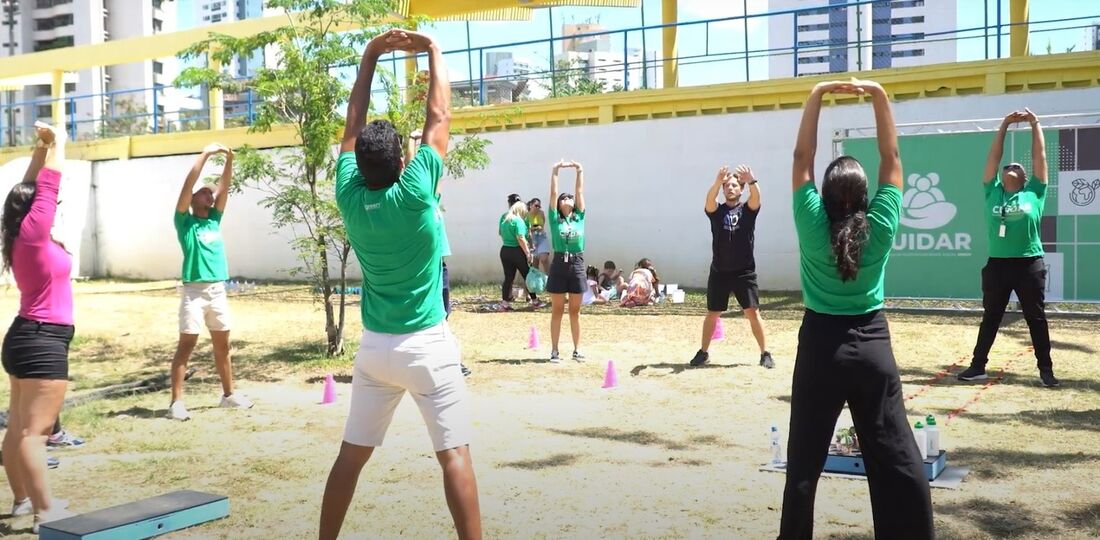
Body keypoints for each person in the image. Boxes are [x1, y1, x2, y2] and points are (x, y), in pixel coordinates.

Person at [320, 29, 480, 540]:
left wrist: (369, 56)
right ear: (402, 163)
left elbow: (351, 125)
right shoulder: (414, 193)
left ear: (360, 167)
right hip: (427, 347)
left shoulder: (348, 195)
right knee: (453, 456)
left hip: (374, 353)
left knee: (350, 458)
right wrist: (433, 49)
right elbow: (440, 118)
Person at [781, 79, 933, 539]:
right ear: (864, 197)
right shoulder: (881, 222)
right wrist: (880, 95)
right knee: (897, 459)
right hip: (872, 347)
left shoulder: (811, 221)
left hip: (820, 348)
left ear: (824, 196)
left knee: (804, 464)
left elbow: (800, 159)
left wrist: (818, 94)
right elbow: (892, 159)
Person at [1, 121, 75, 532]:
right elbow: (46, 187)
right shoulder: (31, 233)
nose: (53, 205)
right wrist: (59, 141)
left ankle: (22, 503)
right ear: (34, 213)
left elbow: (26, 190)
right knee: (36, 433)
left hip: (25, 336)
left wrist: (40, 147)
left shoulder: (18, 234)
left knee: (17, 429)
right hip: (43, 340)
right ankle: (46, 513)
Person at [957, 109, 1058, 387]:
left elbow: (1040, 157)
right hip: (998, 264)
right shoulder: (993, 191)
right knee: (991, 317)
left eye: (1017, 165)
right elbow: (994, 157)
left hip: (1028, 264)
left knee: (1035, 318)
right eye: (1007, 166)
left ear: (1025, 177)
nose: (1010, 165)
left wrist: (1034, 122)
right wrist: (1004, 124)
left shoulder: (1034, 192)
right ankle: (978, 367)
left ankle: (1046, 370)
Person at [168, 143, 252, 421]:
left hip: (217, 290)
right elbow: (188, 183)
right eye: (204, 192)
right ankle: (176, 403)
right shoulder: (185, 222)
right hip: (194, 292)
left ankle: (228, 395)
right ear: (191, 201)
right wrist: (205, 154)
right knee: (187, 345)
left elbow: (224, 187)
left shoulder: (214, 220)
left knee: (223, 345)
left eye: (209, 191)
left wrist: (229, 159)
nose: (209, 194)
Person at [690, 164, 774, 369]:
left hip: (744, 272)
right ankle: (703, 352)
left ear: (741, 189)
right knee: (713, 313)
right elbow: (709, 200)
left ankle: (765, 353)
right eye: (727, 186)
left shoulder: (748, 210)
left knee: (753, 312)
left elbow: (757, 198)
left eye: (734, 185)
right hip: (719, 271)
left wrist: (752, 180)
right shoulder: (716, 211)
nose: (730, 188)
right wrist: (717, 181)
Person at [410, 130, 473, 379]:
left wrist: (432, 147)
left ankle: (445, 361)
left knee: (444, 314)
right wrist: (413, 142)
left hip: (440, 265)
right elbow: (414, 173)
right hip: (426, 266)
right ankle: (448, 362)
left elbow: (432, 175)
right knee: (435, 317)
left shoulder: (432, 201)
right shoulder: (416, 204)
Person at [546, 160, 588, 362]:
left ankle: (577, 349)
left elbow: (579, 192)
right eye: (565, 198)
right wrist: (556, 171)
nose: (568, 198)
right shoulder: (555, 219)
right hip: (559, 265)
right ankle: (554, 350)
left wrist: (579, 170)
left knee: (574, 310)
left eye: (570, 198)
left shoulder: (579, 217)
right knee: (557, 310)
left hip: (577, 263)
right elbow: (553, 194)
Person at [498, 199, 539, 310]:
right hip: (517, 251)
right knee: (527, 276)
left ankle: (505, 303)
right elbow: (521, 238)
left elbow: (500, 233)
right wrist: (527, 253)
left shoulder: (504, 219)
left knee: (508, 278)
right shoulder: (518, 221)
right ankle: (535, 301)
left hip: (505, 250)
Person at [527, 198, 551, 273]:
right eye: (536, 205)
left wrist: (539, 228)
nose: (538, 208)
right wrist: (535, 228)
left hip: (541, 237)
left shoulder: (541, 213)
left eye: (539, 206)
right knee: (535, 263)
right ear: (530, 205)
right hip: (532, 238)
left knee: (544, 258)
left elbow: (542, 224)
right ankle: (537, 282)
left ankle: (549, 279)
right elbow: (526, 229)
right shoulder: (526, 215)